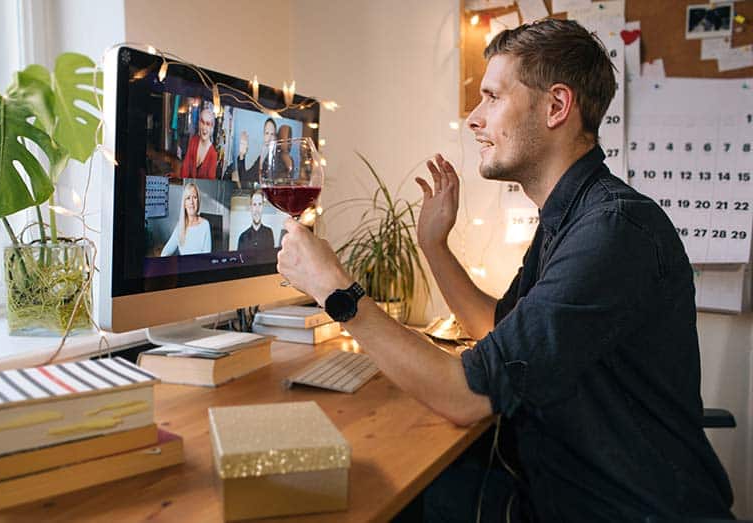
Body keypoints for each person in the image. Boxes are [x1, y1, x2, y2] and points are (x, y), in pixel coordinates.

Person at [275, 19, 733, 523]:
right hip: (558, 484)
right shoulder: (573, 217)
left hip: (621, 507)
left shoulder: (612, 232)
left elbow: (465, 396)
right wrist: (434, 245)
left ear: (557, 106)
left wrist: (336, 292)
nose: (473, 119)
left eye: (492, 97)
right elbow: (499, 328)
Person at [160, 182, 212, 256]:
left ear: (198, 201)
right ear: (184, 204)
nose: (191, 202)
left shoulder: (205, 225)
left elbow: (207, 258)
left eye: (194, 197)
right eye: (188, 198)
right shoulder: (180, 226)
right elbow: (165, 252)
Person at [237, 117, 277, 189]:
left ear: (275, 137)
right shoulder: (262, 156)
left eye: (272, 134)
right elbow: (245, 180)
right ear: (264, 135)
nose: (269, 138)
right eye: (267, 133)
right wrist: (242, 155)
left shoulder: (277, 159)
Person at [179, 108, 218, 179]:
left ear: (212, 127)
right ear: (199, 124)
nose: (204, 127)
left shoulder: (213, 155)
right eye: (202, 122)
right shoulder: (194, 141)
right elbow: (185, 167)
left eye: (208, 124)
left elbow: (210, 183)